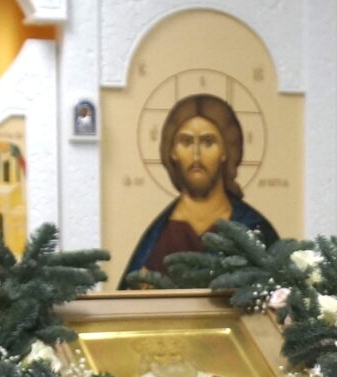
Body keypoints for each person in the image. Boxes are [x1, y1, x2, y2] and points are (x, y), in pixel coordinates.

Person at [117, 94, 277, 286]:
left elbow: (281, 293)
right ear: (172, 152)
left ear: (226, 150)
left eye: (208, 142)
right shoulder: (158, 237)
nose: (196, 155)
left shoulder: (252, 227)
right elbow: (129, 295)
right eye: (186, 142)